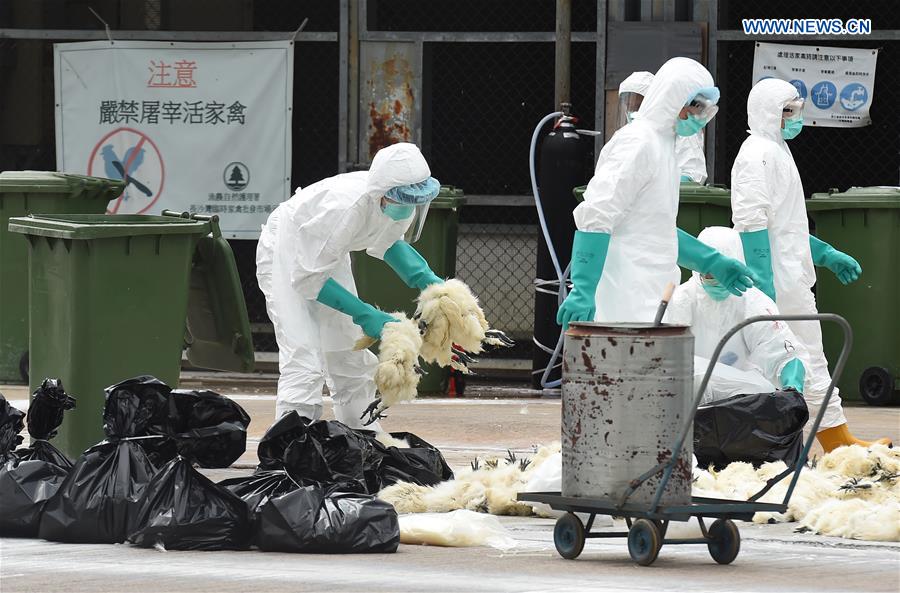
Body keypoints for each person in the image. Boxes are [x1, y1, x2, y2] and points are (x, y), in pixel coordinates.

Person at [730, 78, 891, 451]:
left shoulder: (778, 151)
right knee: (769, 364)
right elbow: (752, 224)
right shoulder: (757, 154)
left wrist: (826, 255)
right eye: (787, 111)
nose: (795, 118)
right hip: (775, 284)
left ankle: (836, 439)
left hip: (790, 281)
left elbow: (788, 227)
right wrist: (762, 283)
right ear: (767, 112)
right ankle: (762, 444)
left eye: (797, 110)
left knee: (808, 359)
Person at [256, 143, 445, 429]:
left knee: (347, 348)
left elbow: (389, 242)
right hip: (287, 246)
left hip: (326, 253)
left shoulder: (395, 200)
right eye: (405, 200)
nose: (410, 207)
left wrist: (428, 280)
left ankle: (361, 432)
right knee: (303, 354)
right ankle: (292, 442)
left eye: (416, 201)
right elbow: (307, 279)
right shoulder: (345, 209)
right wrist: (365, 313)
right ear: (381, 194)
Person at [558, 57, 756, 327]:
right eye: (695, 105)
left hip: (653, 298)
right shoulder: (637, 142)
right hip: (624, 302)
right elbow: (597, 217)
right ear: (673, 99)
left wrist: (711, 262)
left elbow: (657, 230)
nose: (700, 115)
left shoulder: (665, 147)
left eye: (705, 107)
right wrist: (583, 289)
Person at [666, 226, 807, 401]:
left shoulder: (754, 303)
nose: (716, 280)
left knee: (762, 390)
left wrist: (793, 388)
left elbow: (784, 354)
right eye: (709, 274)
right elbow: (667, 356)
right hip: (690, 400)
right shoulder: (682, 299)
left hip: (740, 403)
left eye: (723, 274)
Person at [617, 70, 709, 183]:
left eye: (638, 106)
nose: (633, 112)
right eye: (629, 107)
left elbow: (692, 173)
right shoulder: (626, 136)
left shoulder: (681, 128)